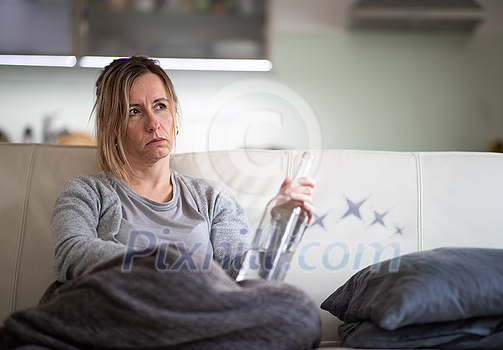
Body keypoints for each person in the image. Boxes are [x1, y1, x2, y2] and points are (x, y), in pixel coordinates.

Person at [0, 56, 322, 350]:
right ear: (112, 127)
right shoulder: (86, 191)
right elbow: (71, 255)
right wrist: (167, 266)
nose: (154, 123)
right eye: (135, 111)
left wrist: (279, 226)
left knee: (299, 312)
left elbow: (244, 281)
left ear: (174, 116)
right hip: (117, 314)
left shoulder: (213, 199)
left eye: (161, 106)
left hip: (193, 319)